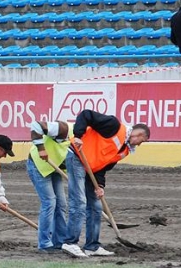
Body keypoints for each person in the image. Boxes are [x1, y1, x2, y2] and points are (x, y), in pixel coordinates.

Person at [61, 110, 150, 258]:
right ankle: (70, 243)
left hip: (91, 169)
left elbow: (103, 167)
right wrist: (78, 136)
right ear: (139, 135)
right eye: (143, 141)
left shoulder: (125, 150)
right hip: (77, 157)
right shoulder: (114, 126)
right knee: (79, 202)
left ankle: (92, 246)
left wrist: (100, 186)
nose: (140, 145)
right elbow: (85, 115)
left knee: (96, 206)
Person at [27, 119, 71, 253]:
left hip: (54, 168)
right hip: (38, 165)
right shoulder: (64, 129)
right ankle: (44, 243)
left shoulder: (85, 144)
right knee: (50, 202)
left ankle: (60, 241)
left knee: (62, 204)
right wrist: (41, 149)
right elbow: (36, 126)